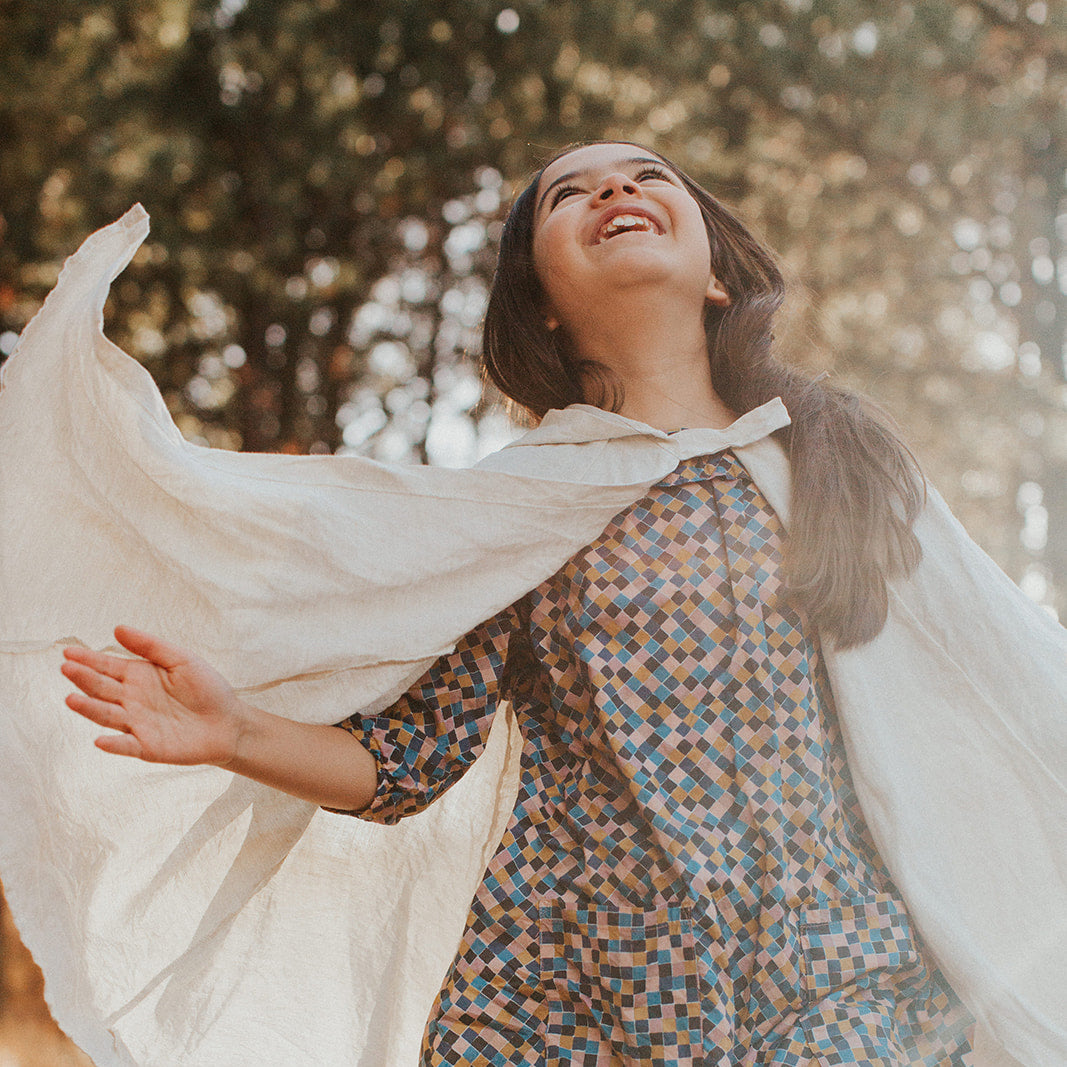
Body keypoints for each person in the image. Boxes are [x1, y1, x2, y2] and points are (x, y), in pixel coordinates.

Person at [56, 143, 983, 1065]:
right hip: (565, 999)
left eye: (647, 175)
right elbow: (408, 759)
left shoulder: (834, 464)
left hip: (830, 975)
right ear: (539, 302)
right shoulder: (519, 510)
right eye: (566, 196)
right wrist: (236, 733)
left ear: (715, 277)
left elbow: (964, 706)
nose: (615, 189)